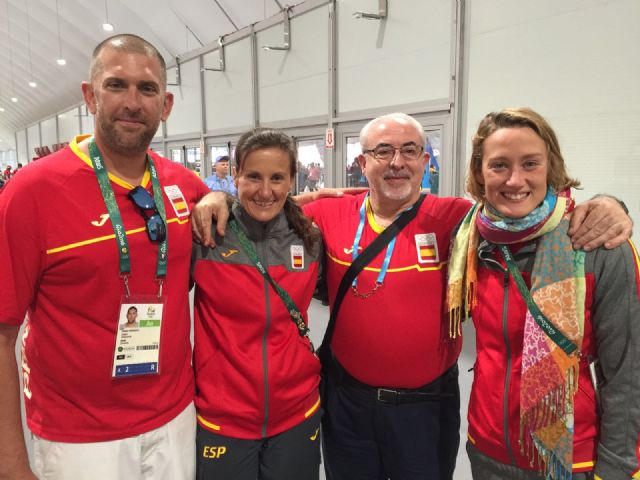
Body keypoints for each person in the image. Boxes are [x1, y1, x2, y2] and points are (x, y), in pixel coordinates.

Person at [192, 112, 632, 480]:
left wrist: (611, 204)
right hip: (347, 401)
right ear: (362, 162)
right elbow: (267, 202)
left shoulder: (462, 221)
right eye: (383, 152)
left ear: (425, 161)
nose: (396, 163)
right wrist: (216, 196)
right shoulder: (326, 214)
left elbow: (536, 212)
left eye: (409, 151)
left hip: (426, 407)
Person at [0, 34, 210, 479]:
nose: (132, 101)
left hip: (174, 417)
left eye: (147, 88)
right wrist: (10, 464)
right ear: (90, 95)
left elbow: (258, 209)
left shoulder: (185, 186)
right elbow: (2, 332)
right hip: (78, 437)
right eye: (116, 85)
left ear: (166, 104)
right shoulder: (32, 192)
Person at [448, 107, 640, 479]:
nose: (515, 180)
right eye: (499, 165)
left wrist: (618, 468)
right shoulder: (470, 240)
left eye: (530, 164)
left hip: (570, 458)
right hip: (486, 449)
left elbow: (628, 374)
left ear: (550, 167)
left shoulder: (596, 245)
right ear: (479, 172)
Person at [192, 128, 323, 479]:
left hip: (297, 413)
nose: (265, 191)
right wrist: (209, 197)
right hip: (224, 418)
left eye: (277, 178)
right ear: (235, 177)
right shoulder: (207, 236)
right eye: (253, 176)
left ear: (292, 181)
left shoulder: (310, 239)